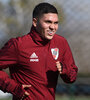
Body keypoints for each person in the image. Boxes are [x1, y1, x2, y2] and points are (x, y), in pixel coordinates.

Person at [0, 2, 78, 100]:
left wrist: (64, 70)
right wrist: (13, 87)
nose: (53, 27)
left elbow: (72, 77)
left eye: (56, 23)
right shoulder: (18, 45)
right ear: (35, 22)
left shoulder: (61, 43)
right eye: (48, 22)